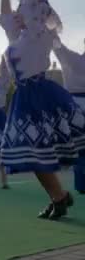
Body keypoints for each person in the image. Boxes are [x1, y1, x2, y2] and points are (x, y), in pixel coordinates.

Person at [0, 0, 85, 220]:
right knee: (32, 155)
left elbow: (34, 0)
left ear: (38, 14)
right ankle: (59, 197)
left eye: (26, 9)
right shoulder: (19, 35)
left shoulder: (39, 33)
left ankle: (60, 198)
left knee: (37, 153)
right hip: (24, 96)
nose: (20, 11)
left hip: (40, 95)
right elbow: (4, 15)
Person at [53, 38, 85, 194]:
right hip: (75, 105)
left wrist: (47, 26)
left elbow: (57, 45)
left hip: (73, 107)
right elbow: (57, 45)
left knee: (78, 147)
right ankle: (81, 183)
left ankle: (81, 184)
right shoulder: (71, 58)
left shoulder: (70, 58)